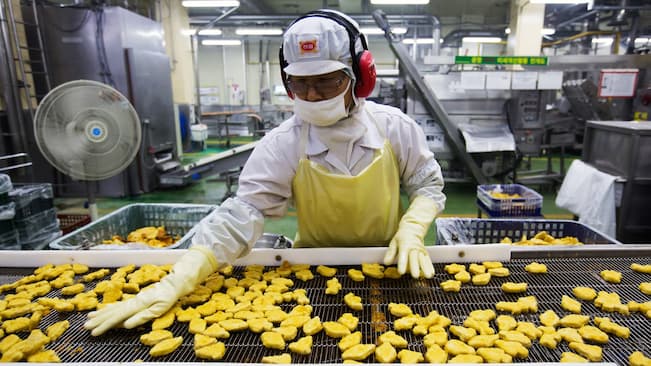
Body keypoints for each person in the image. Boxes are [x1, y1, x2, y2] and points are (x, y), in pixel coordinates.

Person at [84, 9, 445, 336]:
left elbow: (427, 185)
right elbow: (243, 214)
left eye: (327, 81)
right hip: (314, 274)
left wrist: (413, 230)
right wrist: (179, 278)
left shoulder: (394, 128)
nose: (313, 96)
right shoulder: (284, 142)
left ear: (361, 77)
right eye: (300, 84)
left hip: (390, 265)